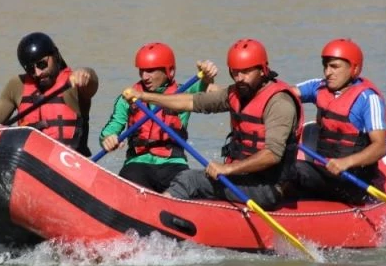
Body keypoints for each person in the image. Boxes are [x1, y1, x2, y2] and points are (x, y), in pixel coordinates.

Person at [123, 38, 302, 211]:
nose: (239, 78)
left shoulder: (279, 103)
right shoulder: (236, 93)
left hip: (268, 187)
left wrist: (228, 168)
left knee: (190, 180)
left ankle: (152, 214)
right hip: (241, 179)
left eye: (246, 72)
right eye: (235, 72)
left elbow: (272, 155)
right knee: (191, 180)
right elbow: (190, 102)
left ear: (263, 70)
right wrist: (145, 97)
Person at [99, 42, 219, 192]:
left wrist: (207, 76)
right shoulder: (127, 98)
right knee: (129, 180)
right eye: (142, 70)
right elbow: (110, 130)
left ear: (170, 71)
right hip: (137, 164)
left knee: (186, 184)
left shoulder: (184, 93)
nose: (144, 76)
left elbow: (205, 91)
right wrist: (108, 139)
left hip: (174, 164)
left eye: (150, 71)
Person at [291, 38, 386, 203]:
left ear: (354, 69)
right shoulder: (318, 87)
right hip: (325, 175)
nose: (328, 72)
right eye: (326, 66)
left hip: (353, 181)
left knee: (295, 169)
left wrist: (346, 162)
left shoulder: (368, 99)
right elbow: (283, 94)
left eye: (334, 66)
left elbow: (381, 147)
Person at [0, 32, 98, 156]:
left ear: (56, 56)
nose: (37, 73)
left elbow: (92, 82)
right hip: (27, 162)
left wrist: (85, 73)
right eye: (31, 69)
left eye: (42, 64)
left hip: (69, 165)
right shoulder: (17, 85)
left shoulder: (74, 85)